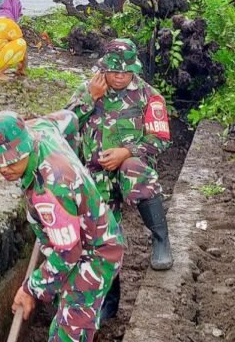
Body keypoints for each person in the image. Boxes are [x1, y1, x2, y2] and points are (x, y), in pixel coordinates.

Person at [0, 110, 124, 341]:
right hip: (76, 239)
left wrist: (30, 288)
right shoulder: (39, 129)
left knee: (68, 333)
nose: (3, 168)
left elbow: (68, 253)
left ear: (24, 147)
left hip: (95, 253)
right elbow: (70, 119)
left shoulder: (51, 188)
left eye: (11, 160)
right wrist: (76, 157)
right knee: (62, 305)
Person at [68, 39, 173, 319]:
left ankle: (161, 239)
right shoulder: (90, 89)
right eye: (114, 72)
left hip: (130, 171)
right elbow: (65, 126)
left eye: (125, 73)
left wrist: (127, 151)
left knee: (134, 170)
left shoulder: (149, 96)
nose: (119, 77)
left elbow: (160, 139)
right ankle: (107, 304)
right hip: (96, 177)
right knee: (103, 238)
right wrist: (89, 97)